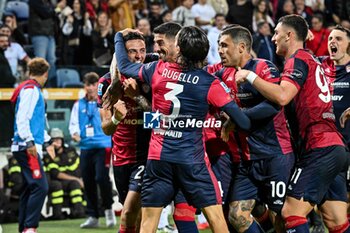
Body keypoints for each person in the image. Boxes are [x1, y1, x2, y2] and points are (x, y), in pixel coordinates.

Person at [114, 25, 252, 233]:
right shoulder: (209, 82)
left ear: (178, 48)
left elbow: (124, 66)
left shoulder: (157, 70)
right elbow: (244, 122)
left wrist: (118, 37)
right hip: (192, 162)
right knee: (216, 220)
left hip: (159, 161)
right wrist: (229, 121)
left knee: (148, 222)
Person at [235, 14, 349, 232]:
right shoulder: (313, 60)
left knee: (291, 213)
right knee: (336, 221)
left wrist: (250, 76)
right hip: (335, 147)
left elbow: (282, 97)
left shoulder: (297, 60)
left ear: (289, 35)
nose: (274, 38)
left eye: (277, 33)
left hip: (319, 147)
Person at [216, 25, 294, 233]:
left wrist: (237, 118)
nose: (220, 50)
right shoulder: (224, 74)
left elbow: (274, 104)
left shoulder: (263, 67)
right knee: (236, 215)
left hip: (275, 156)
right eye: (218, 46)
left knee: (281, 217)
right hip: (247, 160)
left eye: (224, 45)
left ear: (241, 47)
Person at [98, 33, 151, 233]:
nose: (139, 57)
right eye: (132, 52)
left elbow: (157, 118)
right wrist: (116, 119)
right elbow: (106, 128)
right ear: (121, 54)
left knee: (129, 211)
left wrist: (137, 97)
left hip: (145, 156)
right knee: (133, 217)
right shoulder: (106, 83)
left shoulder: (150, 78)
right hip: (120, 159)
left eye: (142, 51)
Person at [10, 57, 54, 233]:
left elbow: (35, 123)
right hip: (27, 145)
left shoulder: (28, 88)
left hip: (26, 143)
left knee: (30, 187)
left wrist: (48, 140)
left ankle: (23, 228)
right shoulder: (32, 90)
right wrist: (29, 141)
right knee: (40, 186)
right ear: (45, 74)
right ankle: (30, 227)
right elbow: (22, 119)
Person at [69, 72, 116, 228]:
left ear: (98, 85)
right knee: (87, 181)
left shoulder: (104, 102)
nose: (90, 88)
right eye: (87, 84)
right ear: (84, 86)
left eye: (93, 84)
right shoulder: (78, 104)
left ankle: (109, 210)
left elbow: (110, 122)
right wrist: (75, 134)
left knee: (101, 178)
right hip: (85, 147)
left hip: (103, 146)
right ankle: (93, 216)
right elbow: (73, 124)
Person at [327, 25, 350, 221]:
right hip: (329, 148)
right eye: (330, 39)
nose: (332, 42)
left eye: (338, 39)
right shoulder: (322, 69)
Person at [44, 128, 85, 220]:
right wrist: (76, 179)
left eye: (58, 139)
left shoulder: (70, 151)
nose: (57, 142)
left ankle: (79, 212)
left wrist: (80, 179)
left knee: (75, 185)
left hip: (72, 181)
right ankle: (57, 215)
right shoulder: (49, 155)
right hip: (57, 182)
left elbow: (79, 166)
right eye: (54, 140)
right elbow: (56, 174)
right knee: (58, 185)